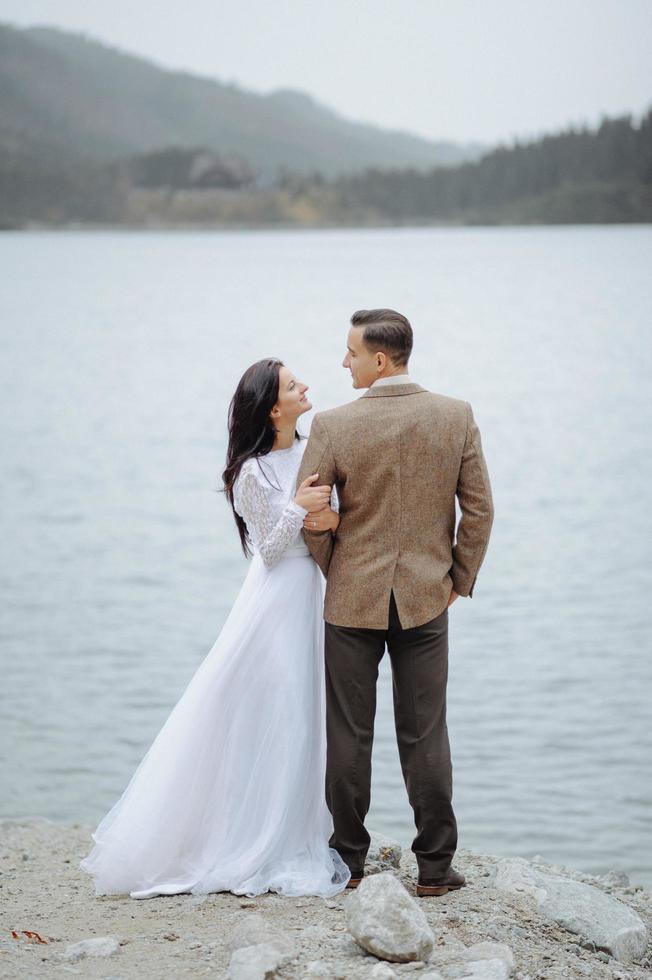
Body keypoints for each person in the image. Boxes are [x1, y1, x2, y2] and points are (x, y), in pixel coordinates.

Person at [79, 358, 350, 899]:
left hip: (311, 597)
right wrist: (298, 509)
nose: (306, 387)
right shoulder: (251, 473)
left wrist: (328, 516)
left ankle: (295, 830)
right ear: (274, 408)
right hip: (274, 601)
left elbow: (335, 515)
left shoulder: (312, 448)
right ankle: (250, 836)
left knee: (302, 714)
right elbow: (269, 550)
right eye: (295, 385)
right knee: (271, 708)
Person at [297, 308, 494, 898]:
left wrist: (338, 565)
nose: (344, 362)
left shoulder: (333, 426)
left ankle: (349, 864)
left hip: (350, 602)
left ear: (380, 359)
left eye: (351, 353)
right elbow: (479, 511)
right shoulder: (455, 416)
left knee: (349, 734)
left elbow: (309, 514)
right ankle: (435, 868)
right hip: (427, 599)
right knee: (425, 733)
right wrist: (457, 580)